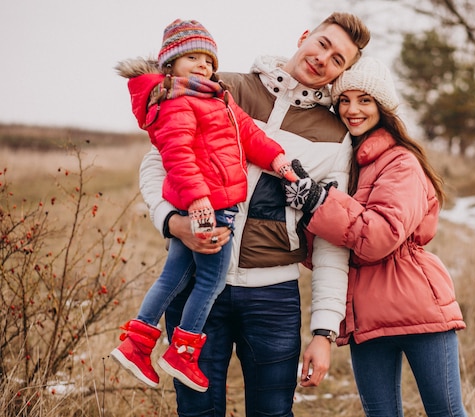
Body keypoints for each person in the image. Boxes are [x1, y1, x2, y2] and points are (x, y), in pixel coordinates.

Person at [138, 12, 371, 416]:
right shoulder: (222, 88)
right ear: (305, 37)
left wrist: (324, 332)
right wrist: (173, 224)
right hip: (198, 284)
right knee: (196, 411)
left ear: (342, 73)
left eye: (338, 60)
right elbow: (156, 163)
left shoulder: (336, 138)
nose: (323, 59)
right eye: (322, 44)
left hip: (273, 296)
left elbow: (332, 241)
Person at [110, 19, 298, 393]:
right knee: (210, 281)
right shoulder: (177, 102)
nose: (203, 65)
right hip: (208, 208)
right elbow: (178, 156)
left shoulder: (217, 99)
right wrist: (198, 203)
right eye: (192, 57)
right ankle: (183, 350)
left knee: (175, 276)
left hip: (207, 205)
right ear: (170, 64)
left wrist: (277, 160)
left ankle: (137, 344)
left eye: (208, 59)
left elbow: (249, 134)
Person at [283, 57, 468, 417]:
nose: (352, 110)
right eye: (345, 101)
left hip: (417, 305)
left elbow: (381, 235)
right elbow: (324, 249)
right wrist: (307, 210)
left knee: (446, 412)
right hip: (363, 316)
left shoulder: (401, 162)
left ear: (382, 107)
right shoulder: (344, 166)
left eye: (364, 100)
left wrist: (320, 202)